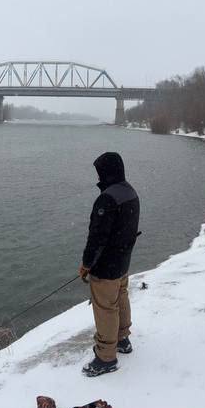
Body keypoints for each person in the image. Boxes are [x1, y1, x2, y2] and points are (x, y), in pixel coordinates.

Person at [79, 152, 140, 377]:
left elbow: (97, 238)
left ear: (107, 172)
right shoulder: (130, 191)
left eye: (100, 172)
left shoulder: (106, 199)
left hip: (106, 267)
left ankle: (106, 357)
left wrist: (86, 264)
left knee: (105, 308)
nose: (98, 176)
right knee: (120, 297)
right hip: (123, 261)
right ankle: (122, 339)